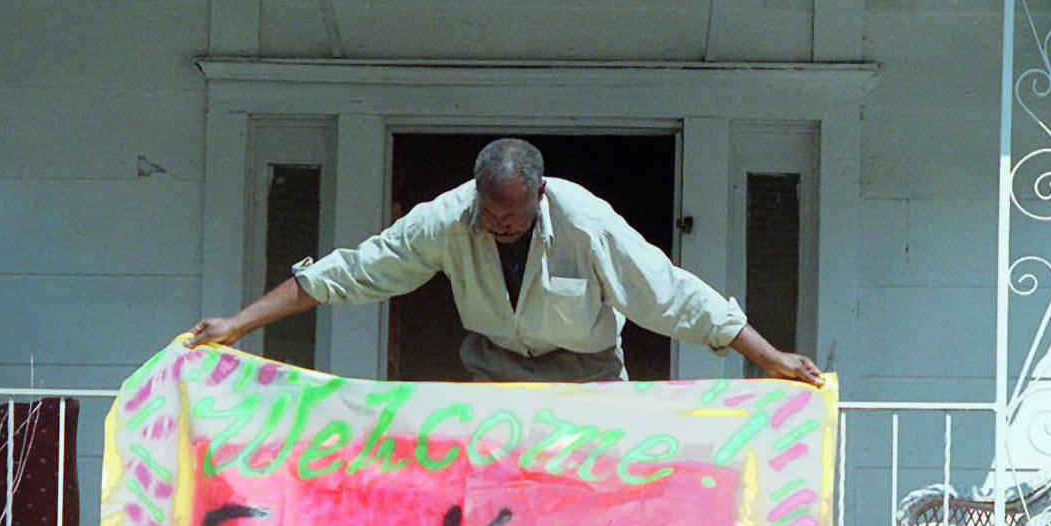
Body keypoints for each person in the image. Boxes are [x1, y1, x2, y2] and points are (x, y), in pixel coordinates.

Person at [188, 138, 821, 386]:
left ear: (539, 195)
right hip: (494, 373)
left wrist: (771, 359)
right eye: (489, 214)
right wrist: (239, 325)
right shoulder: (447, 217)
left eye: (511, 216)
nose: (498, 225)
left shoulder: (587, 220)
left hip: (588, 377)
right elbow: (352, 270)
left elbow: (670, 294)